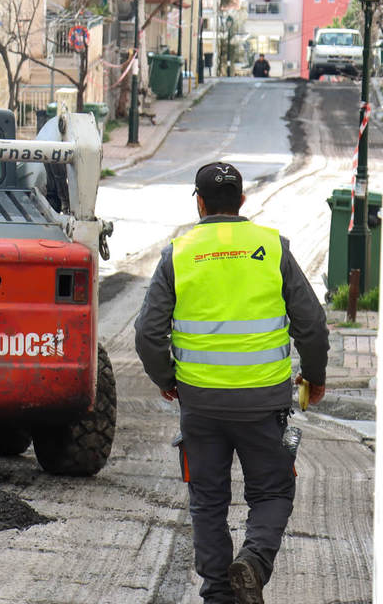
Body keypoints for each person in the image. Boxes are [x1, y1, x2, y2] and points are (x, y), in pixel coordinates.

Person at [134, 161, 329, 604]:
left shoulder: (178, 253)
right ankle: (254, 563)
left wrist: (167, 378)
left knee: (207, 499)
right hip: (264, 401)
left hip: (200, 402)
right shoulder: (271, 247)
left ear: (200, 203)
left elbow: (148, 333)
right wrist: (314, 377)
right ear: (242, 201)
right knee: (274, 490)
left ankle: (219, 594)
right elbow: (312, 325)